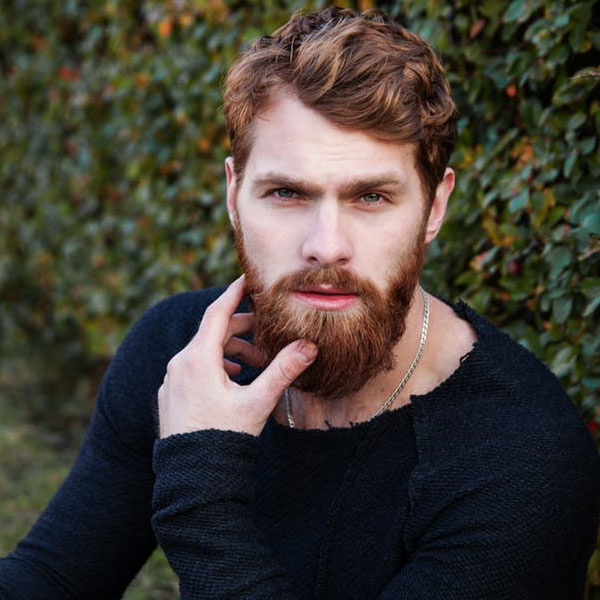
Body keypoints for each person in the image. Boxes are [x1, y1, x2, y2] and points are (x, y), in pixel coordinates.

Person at [1, 6, 599, 599]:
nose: (326, 246)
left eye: (371, 196)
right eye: (287, 192)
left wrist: (201, 478)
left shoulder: (521, 456)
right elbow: (51, 579)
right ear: (234, 195)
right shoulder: (182, 356)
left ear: (434, 208)